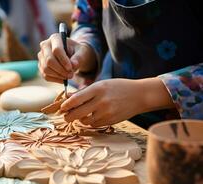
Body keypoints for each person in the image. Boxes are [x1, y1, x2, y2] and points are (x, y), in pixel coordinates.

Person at [38, 0, 203, 128]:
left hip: (188, 133)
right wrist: (82, 52)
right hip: (107, 112)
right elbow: (89, 19)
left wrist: (143, 95)